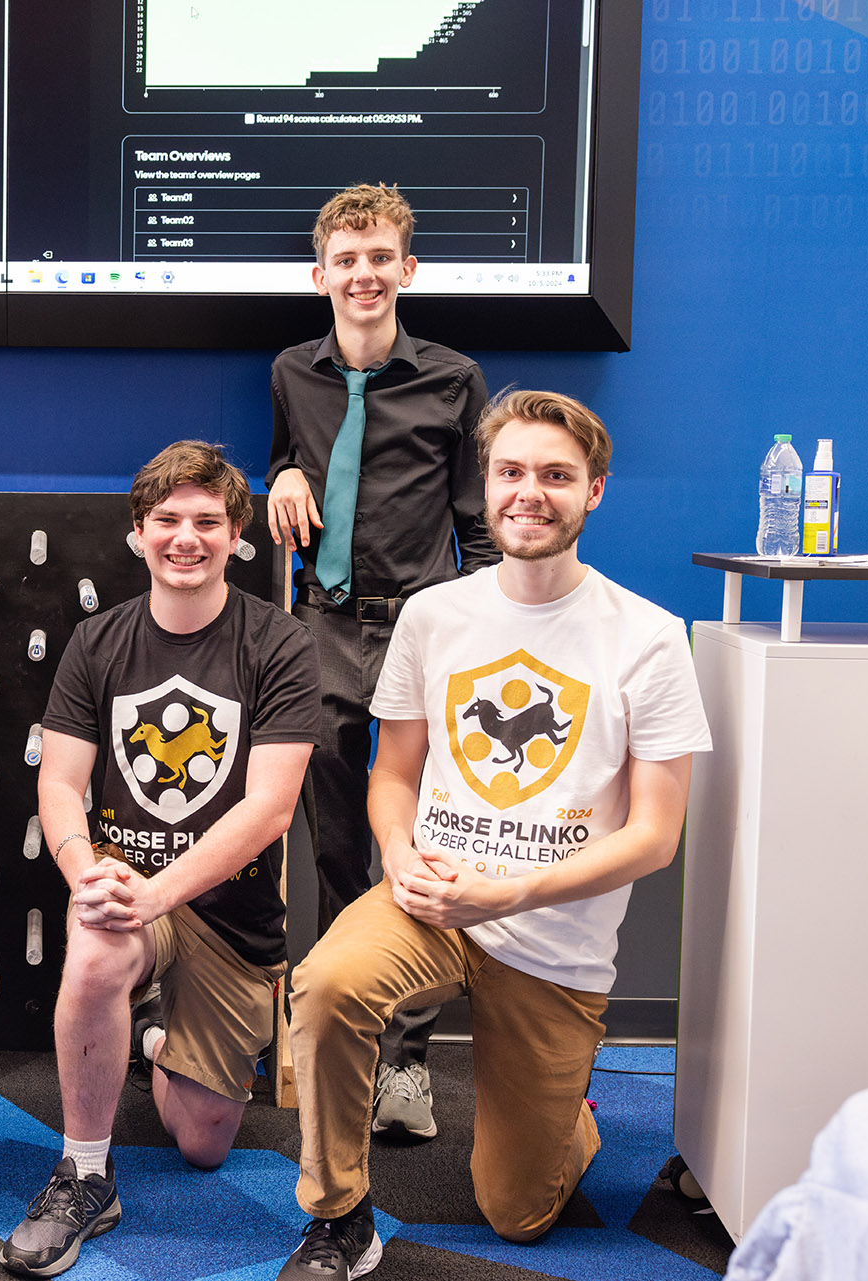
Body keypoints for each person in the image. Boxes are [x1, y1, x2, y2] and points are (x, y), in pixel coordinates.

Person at [274, 390, 711, 1278]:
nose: (530, 492)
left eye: (557, 475)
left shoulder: (650, 639)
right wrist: (398, 855)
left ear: (595, 492)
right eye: (512, 472)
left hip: (552, 942)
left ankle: (568, 1124)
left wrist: (508, 890)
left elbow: (656, 835)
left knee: (518, 1214)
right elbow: (392, 774)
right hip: (431, 900)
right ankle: (339, 1215)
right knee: (326, 984)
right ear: (486, 484)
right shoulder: (437, 616)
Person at [0, 441, 321, 1278]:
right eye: (168, 520)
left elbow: (269, 807)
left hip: (232, 915)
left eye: (207, 521)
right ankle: (85, 1172)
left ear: (236, 533)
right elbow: (61, 785)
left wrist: (156, 894)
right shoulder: (97, 642)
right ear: (138, 532)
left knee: (204, 1143)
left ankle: (150, 1040)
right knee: (99, 945)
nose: (188, 537)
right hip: (126, 885)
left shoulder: (278, 644)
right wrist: (85, 872)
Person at [265, 182, 499, 1140]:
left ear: (408, 269)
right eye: (346, 261)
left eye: (381, 259)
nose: (364, 276)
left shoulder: (453, 378)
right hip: (320, 625)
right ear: (321, 275)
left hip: (422, 628)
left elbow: (479, 523)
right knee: (330, 843)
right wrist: (278, 469)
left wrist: (479, 633)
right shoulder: (291, 369)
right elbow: (286, 452)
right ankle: (337, 1032)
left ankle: (407, 1059)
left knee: (420, 838)